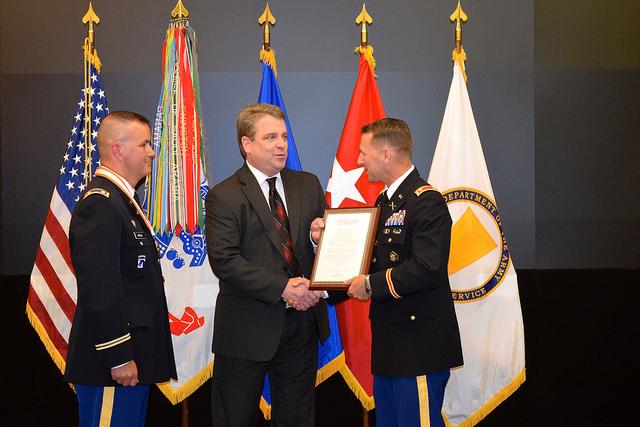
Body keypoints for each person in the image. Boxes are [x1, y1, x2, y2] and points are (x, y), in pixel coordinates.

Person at [324, 118, 463, 427]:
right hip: (390, 346)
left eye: (364, 153)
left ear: (386, 154)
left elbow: (427, 269)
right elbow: (368, 261)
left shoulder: (426, 202)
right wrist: (323, 280)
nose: (360, 161)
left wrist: (371, 286)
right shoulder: (384, 202)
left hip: (419, 347)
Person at [205, 103, 329, 426]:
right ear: (247, 144)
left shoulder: (308, 185)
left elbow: (319, 251)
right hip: (246, 330)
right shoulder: (225, 195)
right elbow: (225, 260)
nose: (281, 144)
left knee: (298, 420)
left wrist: (318, 240)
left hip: (300, 327)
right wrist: (283, 288)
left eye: (284, 136)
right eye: (271, 137)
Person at [64, 111, 177, 427]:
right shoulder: (101, 203)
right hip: (112, 366)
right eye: (144, 144)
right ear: (118, 150)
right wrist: (119, 355)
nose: (151, 152)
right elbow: (100, 288)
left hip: (131, 360)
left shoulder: (122, 200)